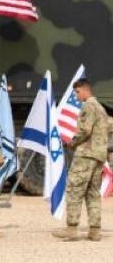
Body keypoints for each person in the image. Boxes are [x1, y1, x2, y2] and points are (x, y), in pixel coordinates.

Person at [53, 78, 110, 242]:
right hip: (99, 155)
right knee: (93, 193)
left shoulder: (88, 106)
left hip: (86, 154)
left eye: (77, 92)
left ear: (86, 89)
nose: (77, 96)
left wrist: (72, 142)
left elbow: (85, 130)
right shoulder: (100, 108)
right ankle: (94, 230)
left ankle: (71, 228)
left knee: (74, 190)